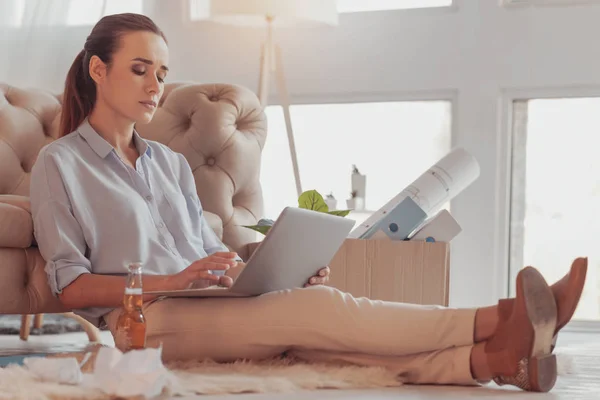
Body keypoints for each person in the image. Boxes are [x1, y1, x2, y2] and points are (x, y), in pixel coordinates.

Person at [29, 13, 587, 393]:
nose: (156, 85)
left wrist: (265, 272)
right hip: (140, 323)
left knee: (311, 327)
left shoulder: (170, 164)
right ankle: (503, 318)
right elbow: (69, 286)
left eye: (163, 73)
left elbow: (207, 256)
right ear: (98, 70)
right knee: (315, 315)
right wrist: (169, 282)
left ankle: (493, 362)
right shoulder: (61, 165)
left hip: (206, 304)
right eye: (139, 69)